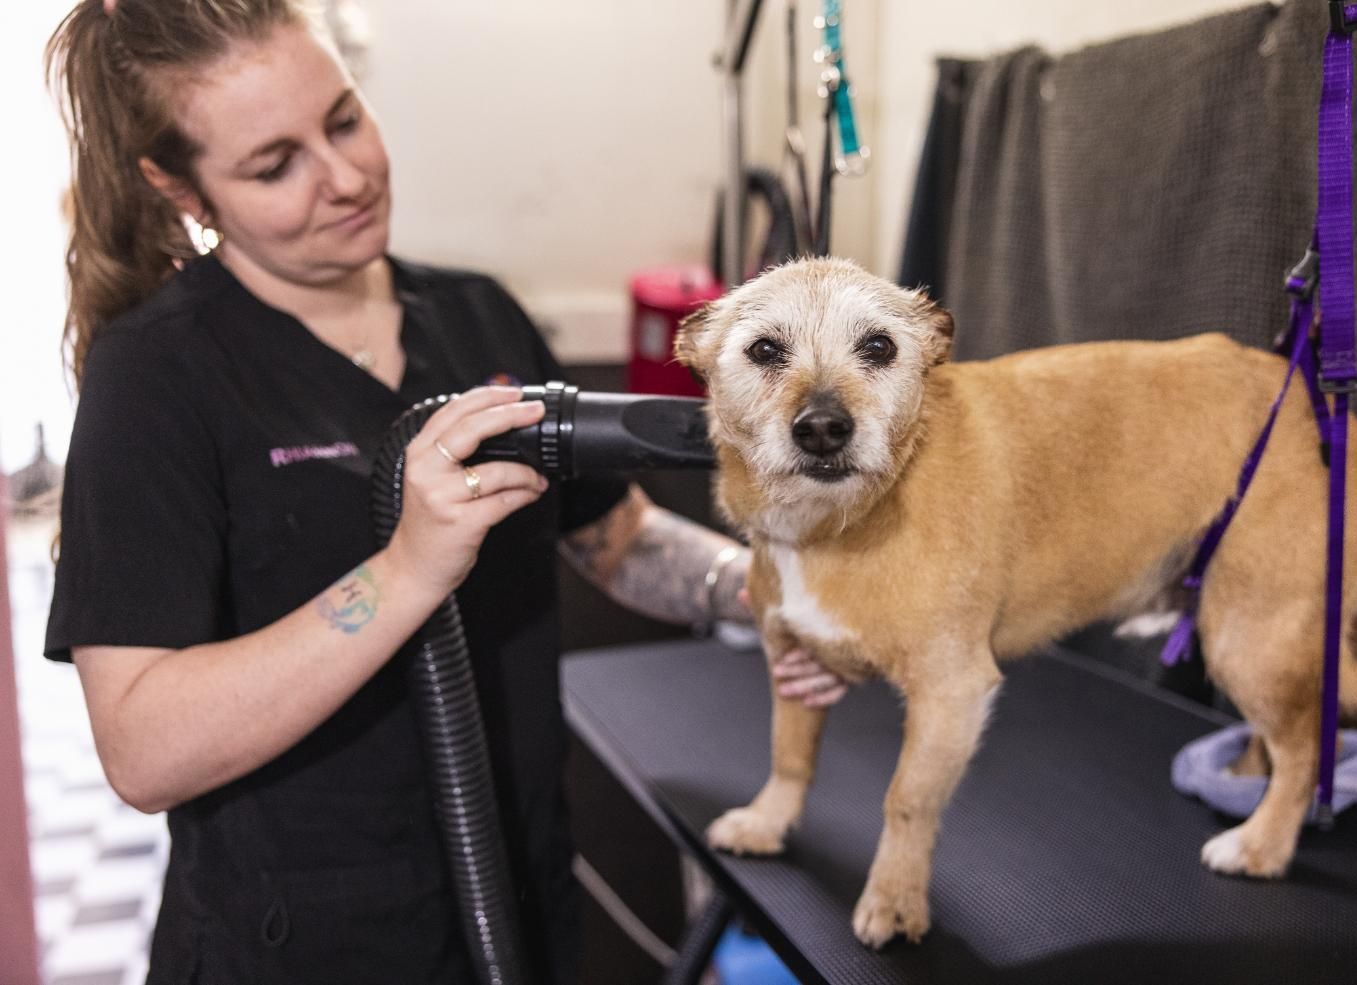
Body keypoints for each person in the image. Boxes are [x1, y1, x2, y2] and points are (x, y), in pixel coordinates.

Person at [42, 2, 846, 983]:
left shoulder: (477, 317)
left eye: (343, 120)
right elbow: (143, 748)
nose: (343, 178)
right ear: (180, 187)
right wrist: (404, 572)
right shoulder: (159, 378)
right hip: (306, 945)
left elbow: (614, 538)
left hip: (517, 903)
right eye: (273, 164)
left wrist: (763, 597)